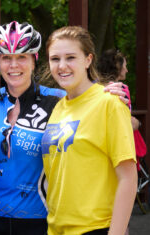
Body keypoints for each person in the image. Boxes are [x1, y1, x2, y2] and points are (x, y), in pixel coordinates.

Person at [41, 26, 137, 235]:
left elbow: (128, 177)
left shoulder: (109, 103)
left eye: (71, 57)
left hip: (96, 229)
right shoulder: (58, 107)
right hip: (56, 229)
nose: (62, 65)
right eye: (55, 58)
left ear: (88, 60)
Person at [0, 21, 66, 235]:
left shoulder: (58, 100)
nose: (13, 65)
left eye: (21, 57)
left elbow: (101, 114)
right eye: (6, 58)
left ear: (34, 61)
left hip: (40, 218)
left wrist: (111, 95)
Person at [98, 49, 140, 130]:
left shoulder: (93, 87)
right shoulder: (122, 89)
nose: (127, 70)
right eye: (125, 66)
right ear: (118, 66)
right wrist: (138, 123)